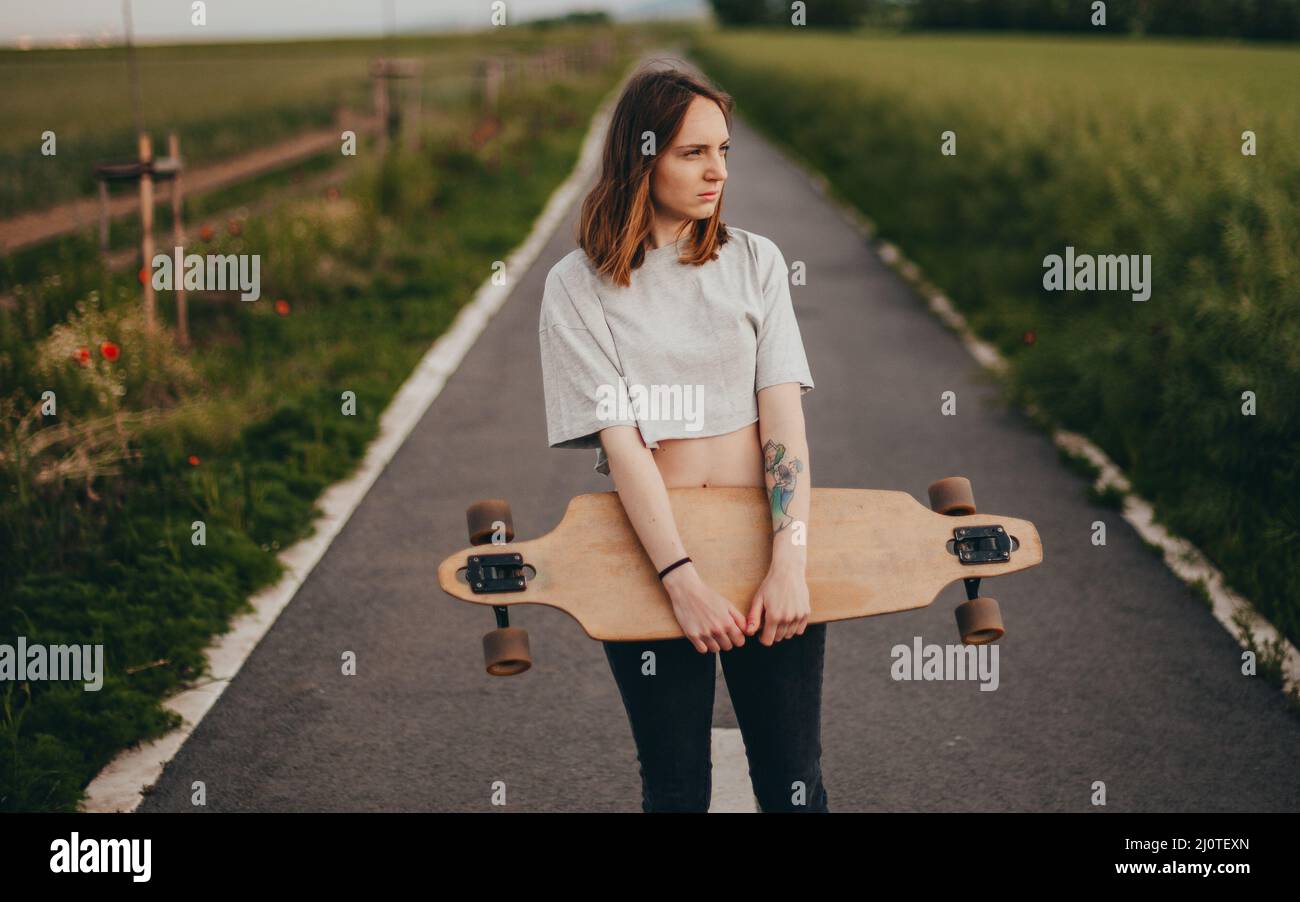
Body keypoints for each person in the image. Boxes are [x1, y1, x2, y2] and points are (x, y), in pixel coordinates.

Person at [537, 65, 828, 813]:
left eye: (724, 151)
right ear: (644, 156)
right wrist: (681, 583)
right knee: (674, 788)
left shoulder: (756, 261)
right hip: (650, 558)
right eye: (694, 152)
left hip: (765, 546)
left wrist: (788, 560)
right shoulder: (578, 286)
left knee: (794, 787)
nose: (717, 172)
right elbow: (625, 445)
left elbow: (783, 422)